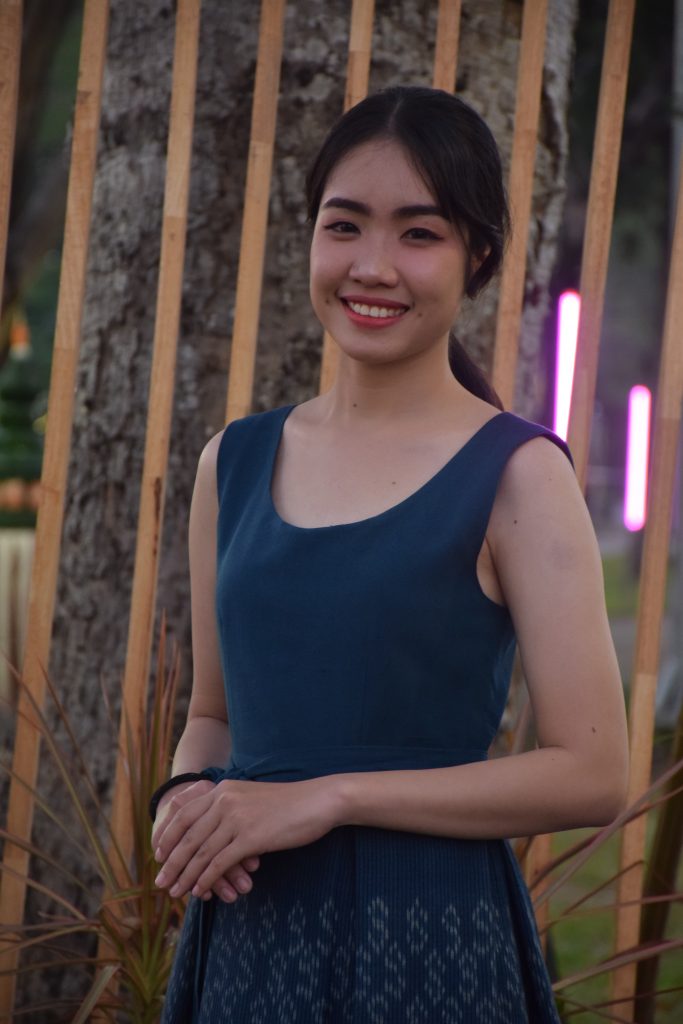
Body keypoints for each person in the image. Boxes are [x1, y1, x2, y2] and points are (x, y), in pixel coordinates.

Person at [151, 85, 629, 1023]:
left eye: (419, 233)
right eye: (344, 226)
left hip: (429, 942)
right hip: (250, 941)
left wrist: (330, 798)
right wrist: (184, 800)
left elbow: (594, 771)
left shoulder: (518, 474)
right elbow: (214, 717)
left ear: (476, 256)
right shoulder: (231, 462)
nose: (372, 266)